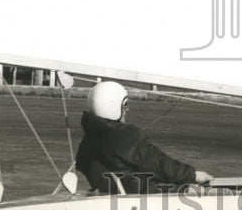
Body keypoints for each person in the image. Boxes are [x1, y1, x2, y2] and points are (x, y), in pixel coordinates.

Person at [75, 80, 213, 194]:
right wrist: (192, 175)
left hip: (123, 192)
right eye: (125, 105)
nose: (127, 109)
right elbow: (160, 164)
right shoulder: (126, 136)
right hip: (144, 194)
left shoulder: (87, 141)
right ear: (112, 106)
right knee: (207, 191)